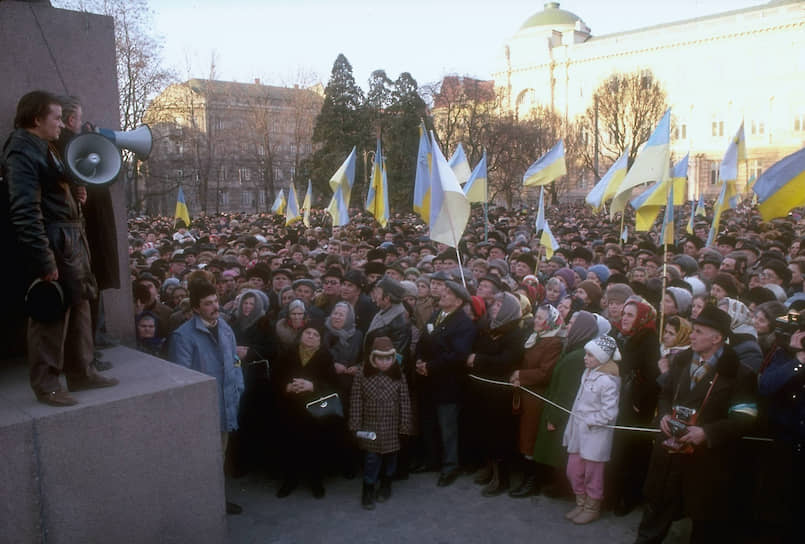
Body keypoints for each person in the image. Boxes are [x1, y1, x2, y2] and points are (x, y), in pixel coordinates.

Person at [4, 90, 118, 405]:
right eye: (56, 117)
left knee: (80, 306)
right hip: (54, 242)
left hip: (68, 238)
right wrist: (43, 259)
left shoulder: (44, 147)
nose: (61, 123)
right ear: (37, 119)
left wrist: (75, 193)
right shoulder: (21, 151)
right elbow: (25, 210)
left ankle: (81, 371)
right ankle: (47, 383)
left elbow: (56, 188)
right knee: (50, 314)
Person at [635, 305, 758, 543]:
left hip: (706, 461)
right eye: (693, 330)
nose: (691, 335)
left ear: (717, 337)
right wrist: (664, 415)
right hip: (668, 453)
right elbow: (666, 394)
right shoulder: (681, 359)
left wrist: (707, 432)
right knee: (655, 512)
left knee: (703, 520)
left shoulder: (741, 374)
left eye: (699, 331)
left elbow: (745, 418)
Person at [167, 279, 244, 514]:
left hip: (227, 403)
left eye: (216, 301)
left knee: (218, 457)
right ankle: (205, 504)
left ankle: (216, 500)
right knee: (201, 459)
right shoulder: (183, 336)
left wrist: (239, 386)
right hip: (202, 410)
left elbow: (235, 361)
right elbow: (182, 378)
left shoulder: (225, 328)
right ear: (196, 308)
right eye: (208, 303)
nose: (214, 307)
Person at [414, 280, 477, 487]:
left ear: (458, 301)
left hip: (448, 384)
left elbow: (458, 355)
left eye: (448, 293)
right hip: (428, 380)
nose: (442, 294)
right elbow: (424, 339)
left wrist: (430, 366)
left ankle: (450, 466)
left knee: (447, 426)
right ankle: (432, 460)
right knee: (429, 422)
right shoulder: (436, 315)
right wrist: (420, 360)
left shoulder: (464, 324)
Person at [532, 311, 600, 496]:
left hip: (562, 412)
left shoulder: (578, 356)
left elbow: (566, 392)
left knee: (557, 450)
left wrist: (554, 417)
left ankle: (561, 487)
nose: (568, 326)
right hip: (559, 407)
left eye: (572, 323)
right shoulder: (574, 349)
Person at [465, 292, 525, 496]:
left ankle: (502, 478)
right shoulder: (488, 328)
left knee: (500, 435)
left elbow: (507, 360)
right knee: (485, 431)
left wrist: (479, 359)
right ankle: (490, 468)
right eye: (494, 303)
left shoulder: (515, 333)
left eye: (500, 304)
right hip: (483, 390)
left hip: (500, 393)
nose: (494, 307)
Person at [272, 322, 340, 499]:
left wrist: (313, 386)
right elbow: (275, 376)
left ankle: (316, 481)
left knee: (315, 446)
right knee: (290, 445)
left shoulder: (325, 357)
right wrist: (286, 387)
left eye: (315, 334)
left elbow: (333, 384)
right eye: (307, 332)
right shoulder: (288, 353)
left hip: (315, 410)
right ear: (301, 335)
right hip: (290, 407)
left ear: (320, 341)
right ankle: (290, 481)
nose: (310, 336)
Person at [349, 336, 414, 510]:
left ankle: (386, 484)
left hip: (392, 426)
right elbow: (356, 400)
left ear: (393, 358)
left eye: (388, 358)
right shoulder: (363, 374)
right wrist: (355, 425)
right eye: (380, 358)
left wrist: (405, 426)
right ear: (373, 358)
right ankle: (368, 488)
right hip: (370, 426)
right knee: (371, 459)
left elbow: (405, 401)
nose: (384, 362)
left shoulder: (398, 374)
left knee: (391, 458)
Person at [609, 295, 660, 516]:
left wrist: (638, 402)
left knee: (631, 451)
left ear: (641, 317)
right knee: (618, 448)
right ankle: (615, 492)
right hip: (620, 399)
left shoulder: (648, 339)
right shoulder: (621, 335)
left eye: (630, 315)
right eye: (624, 314)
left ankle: (629, 496)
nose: (625, 318)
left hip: (637, 405)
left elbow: (651, 376)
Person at [563, 335, 621, 525]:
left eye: (590, 355)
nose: (585, 358)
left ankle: (591, 507)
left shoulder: (608, 381)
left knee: (592, 475)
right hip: (579, 433)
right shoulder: (587, 373)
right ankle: (581, 502)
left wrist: (590, 420)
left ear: (602, 358)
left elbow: (610, 413)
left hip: (595, 435)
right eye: (586, 354)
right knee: (573, 470)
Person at [509, 304, 564, 498]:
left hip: (536, 397)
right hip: (525, 393)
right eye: (537, 317)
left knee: (530, 438)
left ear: (550, 322)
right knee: (524, 436)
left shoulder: (554, 342)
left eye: (541, 318)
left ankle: (532, 480)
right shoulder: (536, 338)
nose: (536, 321)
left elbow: (545, 373)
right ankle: (526, 475)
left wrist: (520, 375)